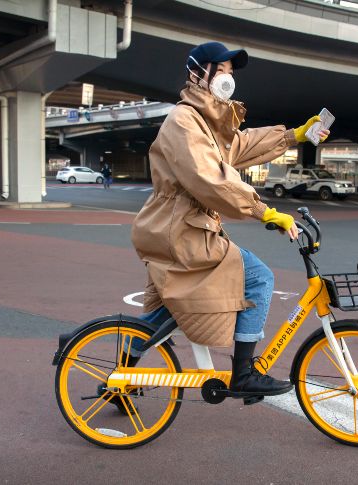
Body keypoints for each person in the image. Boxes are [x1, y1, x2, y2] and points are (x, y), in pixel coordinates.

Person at [128, 41, 330, 404]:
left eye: (230, 73)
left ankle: (121, 377)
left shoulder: (205, 122)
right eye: (220, 70)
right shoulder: (184, 121)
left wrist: (295, 134)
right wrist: (263, 210)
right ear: (197, 74)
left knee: (170, 309)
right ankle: (244, 374)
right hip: (180, 232)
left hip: (176, 228)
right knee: (258, 277)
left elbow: (240, 145)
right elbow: (210, 179)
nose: (227, 78)